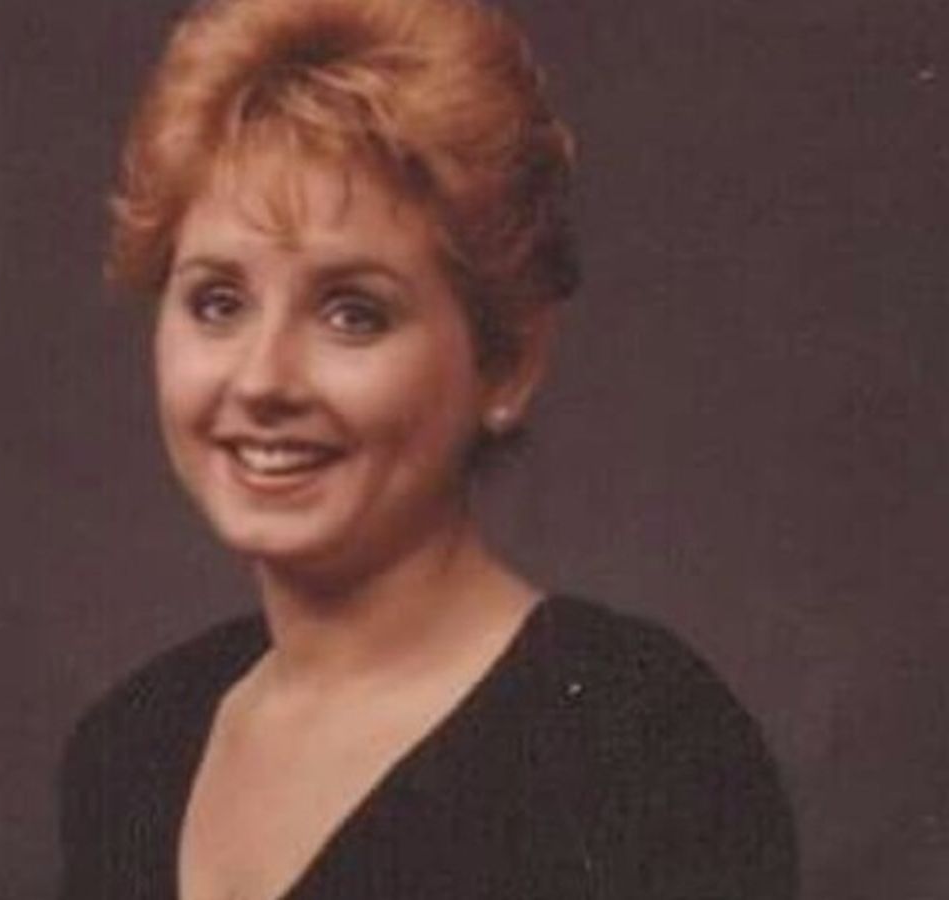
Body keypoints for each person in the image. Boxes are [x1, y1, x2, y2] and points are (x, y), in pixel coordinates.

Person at [57, 0, 798, 897]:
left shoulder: (636, 745)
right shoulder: (131, 750)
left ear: (508, 361)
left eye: (352, 313)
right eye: (218, 302)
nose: (262, 379)